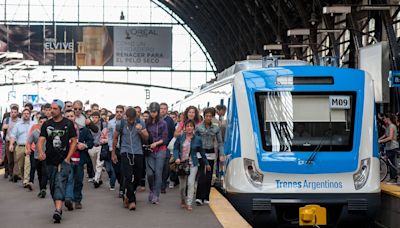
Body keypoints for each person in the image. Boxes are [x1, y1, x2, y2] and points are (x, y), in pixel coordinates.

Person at [37, 99, 77, 223]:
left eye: (55, 109)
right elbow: (41, 140)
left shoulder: (68, 124)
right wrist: (40, 152)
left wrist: (68, 157)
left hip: (63, 160)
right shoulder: (46, 124)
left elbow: (74, 141)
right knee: (53, 186)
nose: (52, 111)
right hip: (49, 160)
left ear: (61, 110)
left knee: (60, 182)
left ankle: (58, 211)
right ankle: (57, 207)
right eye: (51, 109)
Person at [112, 107, 148, 210]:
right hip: (125, 151)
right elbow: (115, 138)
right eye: (130, 119)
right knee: (127, 176)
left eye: (133, 119)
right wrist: (113, 153)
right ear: (126, 117)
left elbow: (146, 137)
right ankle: (132, 201)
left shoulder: (140, 122)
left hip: (138, 152)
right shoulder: (121, 123)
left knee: (137, 176)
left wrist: (141, 130)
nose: (132, 121)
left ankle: (127, 195)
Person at [173, 120, 210, 211]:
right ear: (185, 128)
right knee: (182, 187)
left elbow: (202, 152)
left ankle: (189, 203)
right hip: (182, 164)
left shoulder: (198, 139)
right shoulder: (180, 137)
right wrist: (177, 158)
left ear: (194, 128)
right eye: (187, 126)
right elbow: (175, 149)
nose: (189, 127)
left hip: (193, 163)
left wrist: (207, 163)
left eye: (191, 126)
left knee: (191, 183)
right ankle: (182, 199)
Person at [64, 109, 94, 210]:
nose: (69, 118)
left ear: (75, 117)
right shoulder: (62, 130)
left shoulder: (83, 129)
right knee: (69, 179)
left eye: (71, 116)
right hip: (67, 159)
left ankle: (77, 200)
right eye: (67, 116)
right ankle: (68, 199)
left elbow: (91, 142)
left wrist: (84, 145)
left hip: (79, 159)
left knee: (78, 181)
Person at [195, 108, 224, 205]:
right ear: (204, 116)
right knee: (201, 176)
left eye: (210, 116)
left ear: (212, 117)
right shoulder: (198, 127)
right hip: (201, 153)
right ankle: (199, 197)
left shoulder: (216, 128)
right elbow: (194, 140)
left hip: (211, 153)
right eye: (206, 116)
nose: (208, 118)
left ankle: (206, 197)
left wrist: (221, 155)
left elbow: (220, 142)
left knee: (208, 176)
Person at [145, 102, 168, 204]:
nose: (153, 113)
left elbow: (165, 138)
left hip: (161, 150)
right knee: (150, 174)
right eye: (151, 111)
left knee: (158, 173)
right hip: (149, 150)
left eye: (154, 111)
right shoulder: (147, 122)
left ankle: (156, 195)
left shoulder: (163, 123)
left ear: (158, 112)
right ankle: (151, 189)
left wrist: (156, 143)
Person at [9, 108, 33, 188]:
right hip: (20, 146)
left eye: (27, 113)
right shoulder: (17, 125)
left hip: (29, 146)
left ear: (30, 115)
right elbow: (13, 135)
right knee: (21, 166)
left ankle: (26, 181)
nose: (26, 115)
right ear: (22, 115)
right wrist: (11, 144)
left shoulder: (33, 124)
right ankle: (24, 178)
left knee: (27, 163)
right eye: (24, 113)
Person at [26, 114, 48, 197]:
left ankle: (43, 189)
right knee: (39, 174)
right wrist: (28, 149)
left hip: (47, 156)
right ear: (38, 123)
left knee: (45, 172)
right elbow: (29, 142)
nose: (42, 123)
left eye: (44, 122)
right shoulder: (35, 132)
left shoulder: (50, 132)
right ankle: (41, 188)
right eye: (41, 122)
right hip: (37, 156)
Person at [108, 105, 126, 198]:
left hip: (124, 150)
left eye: (121, 111)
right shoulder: (111, 123)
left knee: (123, 170)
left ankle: (122, 189)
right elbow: (110, 137)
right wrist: (112, 150)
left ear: (123, 112)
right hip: (115, 149)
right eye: (117, 111)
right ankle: (121, 182)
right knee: (116, 170)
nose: (119, 113)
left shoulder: (126, 122)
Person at [378, 113, 399, 184]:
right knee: (390, 163)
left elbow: (390, 137)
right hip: (388, 147)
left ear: (388, 119)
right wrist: (378, 139)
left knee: (393, 163)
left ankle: (394, 178)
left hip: (393, 147)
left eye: (384, 118)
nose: (383, 120)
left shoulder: (392, 126)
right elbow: (385, 135)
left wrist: (380, 141)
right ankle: (392, 178)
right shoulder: (388, 126)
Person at [159, 103, 176, 193]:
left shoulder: (169, 120)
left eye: (164, 109)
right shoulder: (156, 119)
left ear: (167, 110)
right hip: (157, 147)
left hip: (166, 147)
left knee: (166, 166)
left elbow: (173, 133)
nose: (163, 110)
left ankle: (163, 184)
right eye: (161, 108)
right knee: (158, 166)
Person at [2, 105, 20, 180]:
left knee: (16, 159)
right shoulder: (6, 120)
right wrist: (4, 128)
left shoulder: (20, 121)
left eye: (15, 112)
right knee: (10, 159)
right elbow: (3, 130)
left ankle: (15, 175)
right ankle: (11, 173)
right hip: (8, 141)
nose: (13, 113)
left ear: (17, 113)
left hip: (17, 141)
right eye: (12, 112)